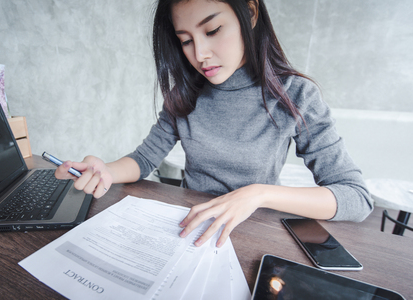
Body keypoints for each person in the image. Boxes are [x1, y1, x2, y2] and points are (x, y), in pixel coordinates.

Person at [55, 0, 373, 248]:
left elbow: (355, 197)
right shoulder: (185, 95)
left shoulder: (296, 95)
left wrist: (259, 194)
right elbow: (144, 159)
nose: (200, 54)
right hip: (189, 227)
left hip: (252, 232)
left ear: (249, 13)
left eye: (212, 31)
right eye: (186, 40)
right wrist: (105, 170)